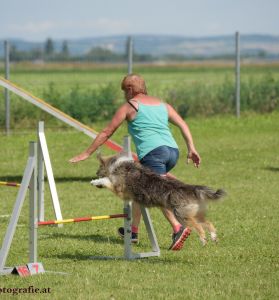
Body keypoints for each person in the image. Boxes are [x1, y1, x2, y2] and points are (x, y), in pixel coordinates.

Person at [69, 74, 201, 251]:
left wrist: (86, 153)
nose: (124, 95)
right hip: (172, 152)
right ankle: (133, 231)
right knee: (138, 188)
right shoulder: (163, 105)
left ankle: (178, 227)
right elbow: (183, 124)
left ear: (130, 90)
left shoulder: (130, 106)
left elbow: (107, 131)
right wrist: (191, 148)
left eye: (124, 91)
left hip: (154, 153)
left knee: (156, 191)